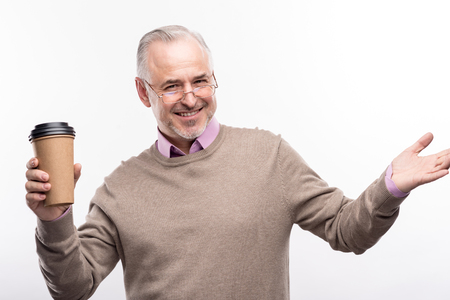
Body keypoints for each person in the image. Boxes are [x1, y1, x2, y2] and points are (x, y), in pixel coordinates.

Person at [25, 25, 450, 300]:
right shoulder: (119, 189)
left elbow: (346, 231)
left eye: (200, 80)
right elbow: (72, 289)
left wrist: (390, 187)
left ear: (214, 79)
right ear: (143, 92)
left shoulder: (269, 156)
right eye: (171, 86)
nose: (190, 98)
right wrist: (54, 218)